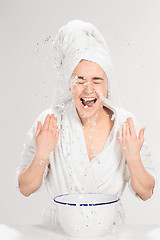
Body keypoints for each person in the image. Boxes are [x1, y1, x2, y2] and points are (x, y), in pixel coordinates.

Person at [16, 19, 156, 227]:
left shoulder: (125, 124)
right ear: (68, 84)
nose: (88, 90)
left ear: (107, 84)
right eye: (80, 80)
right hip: (59, 230)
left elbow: (146, 192)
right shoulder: (49, 122)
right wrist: (42, 152)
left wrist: (133, 157)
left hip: (109, 231)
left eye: (97, 80)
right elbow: (25, 188)